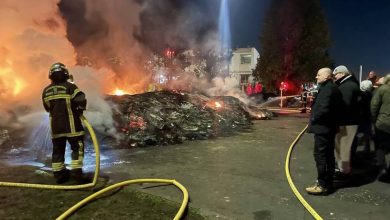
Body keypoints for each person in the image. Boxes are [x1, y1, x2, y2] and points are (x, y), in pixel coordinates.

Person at [42, 62, 87, 184]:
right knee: (77, 147)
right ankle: (77, 175)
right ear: (65, 73)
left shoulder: (46, 91)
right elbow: (81, 100)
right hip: (73, 126)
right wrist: (79, 109)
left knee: (58, 150)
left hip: (56, 129)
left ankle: (59, 175)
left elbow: (47, 108)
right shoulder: (70, 87)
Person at [306, 68, 343, 195]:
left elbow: (323, 109)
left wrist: (314, 119)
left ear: (327, 76)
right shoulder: (332, 88)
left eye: (318, 75)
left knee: (321, 155)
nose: (316, 77)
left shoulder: (328, 89)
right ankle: (328, 181)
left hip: (323, 128)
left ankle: (323, 184)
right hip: (329, 128)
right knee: (328, 155)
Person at [332, 65, 360, 180]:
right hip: (349, 121)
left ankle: (344, 172)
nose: (334, 77)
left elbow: (344, 105)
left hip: (347, 122)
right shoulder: (350, 84)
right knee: (342, 146)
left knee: (343, 147)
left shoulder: (347, 86)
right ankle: (342, 169)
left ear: (343, 74)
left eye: (336, 74)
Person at [371, 74, 390, 183]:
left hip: (383, 123)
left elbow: (374, 106)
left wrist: (373, 120)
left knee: (380, 146)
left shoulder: (382, 89)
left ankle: (382, 170)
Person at [351, 80, 373, 162]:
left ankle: (354, 154)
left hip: (359, 118)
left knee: (355, 136)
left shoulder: (359, 95)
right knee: (367, 136)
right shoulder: (371, 95)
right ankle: (367, 152)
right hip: (368, 118)